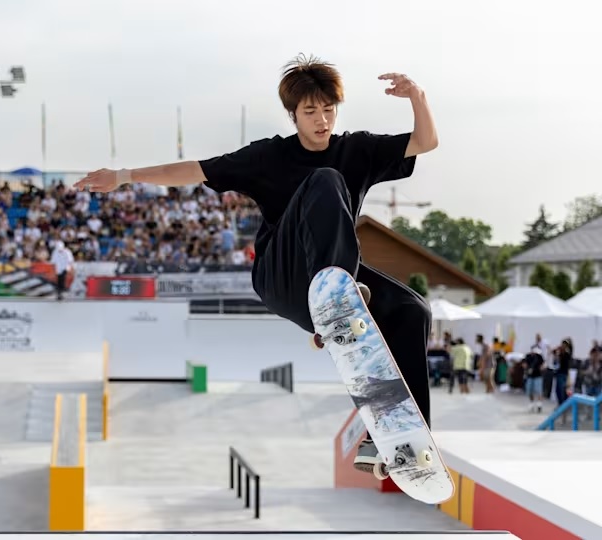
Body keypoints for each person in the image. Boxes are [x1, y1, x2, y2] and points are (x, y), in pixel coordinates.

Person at [73, 53, 439, 472]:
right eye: (310, 112)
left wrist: (418, 96)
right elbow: (195, 169)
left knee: (412, 311)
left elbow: (424, 142)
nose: (322, 120)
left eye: (328, 110)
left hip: (338, 286)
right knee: (324, 179)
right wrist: (123, 176)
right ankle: (334, 295)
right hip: (281, 278)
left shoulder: (358, 149)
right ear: (293, 115)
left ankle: (397, 441)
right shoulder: (268, 157)